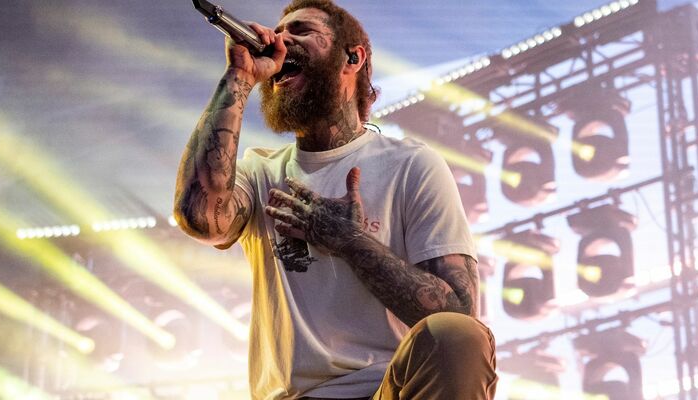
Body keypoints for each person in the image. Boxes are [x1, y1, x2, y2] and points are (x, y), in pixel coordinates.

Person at [173, 0, 498, 398]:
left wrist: (351, 242)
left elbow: (460, 315)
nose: (280, 40)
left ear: (352, 57)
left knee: (457, 335)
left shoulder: (411, 165)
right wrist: (238, 76)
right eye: (279, 31)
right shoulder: (260, 173)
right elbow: (199, 215)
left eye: (301, 31)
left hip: (389, 390)